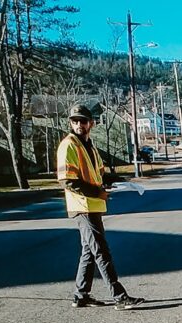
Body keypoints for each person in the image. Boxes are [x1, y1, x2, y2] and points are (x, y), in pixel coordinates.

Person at [57, 105, 144, 310]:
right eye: (75, 121)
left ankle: (81, 295)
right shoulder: (69, 145)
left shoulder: (90, 147)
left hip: (93, 206)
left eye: (83, 121)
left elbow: (100, 175)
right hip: (82, 206)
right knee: (101, 251)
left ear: (91, 123)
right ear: (70, 123)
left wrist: (122, 181)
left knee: (89, 251)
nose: (79, 124)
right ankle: (119, 296)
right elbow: (67, 180)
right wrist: (98, 192)